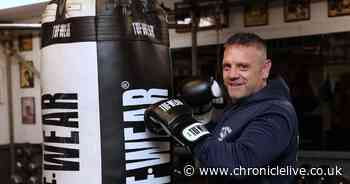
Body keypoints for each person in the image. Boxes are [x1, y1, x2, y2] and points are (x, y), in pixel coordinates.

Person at [145, 32, 298, 184]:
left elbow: (240, 162)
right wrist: (201, 118)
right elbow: (221, 140)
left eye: (243, 67)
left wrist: (182, 124)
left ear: (265, 69)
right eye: (227, 66)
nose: (232, 75)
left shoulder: (276, 112)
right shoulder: (243, 104)